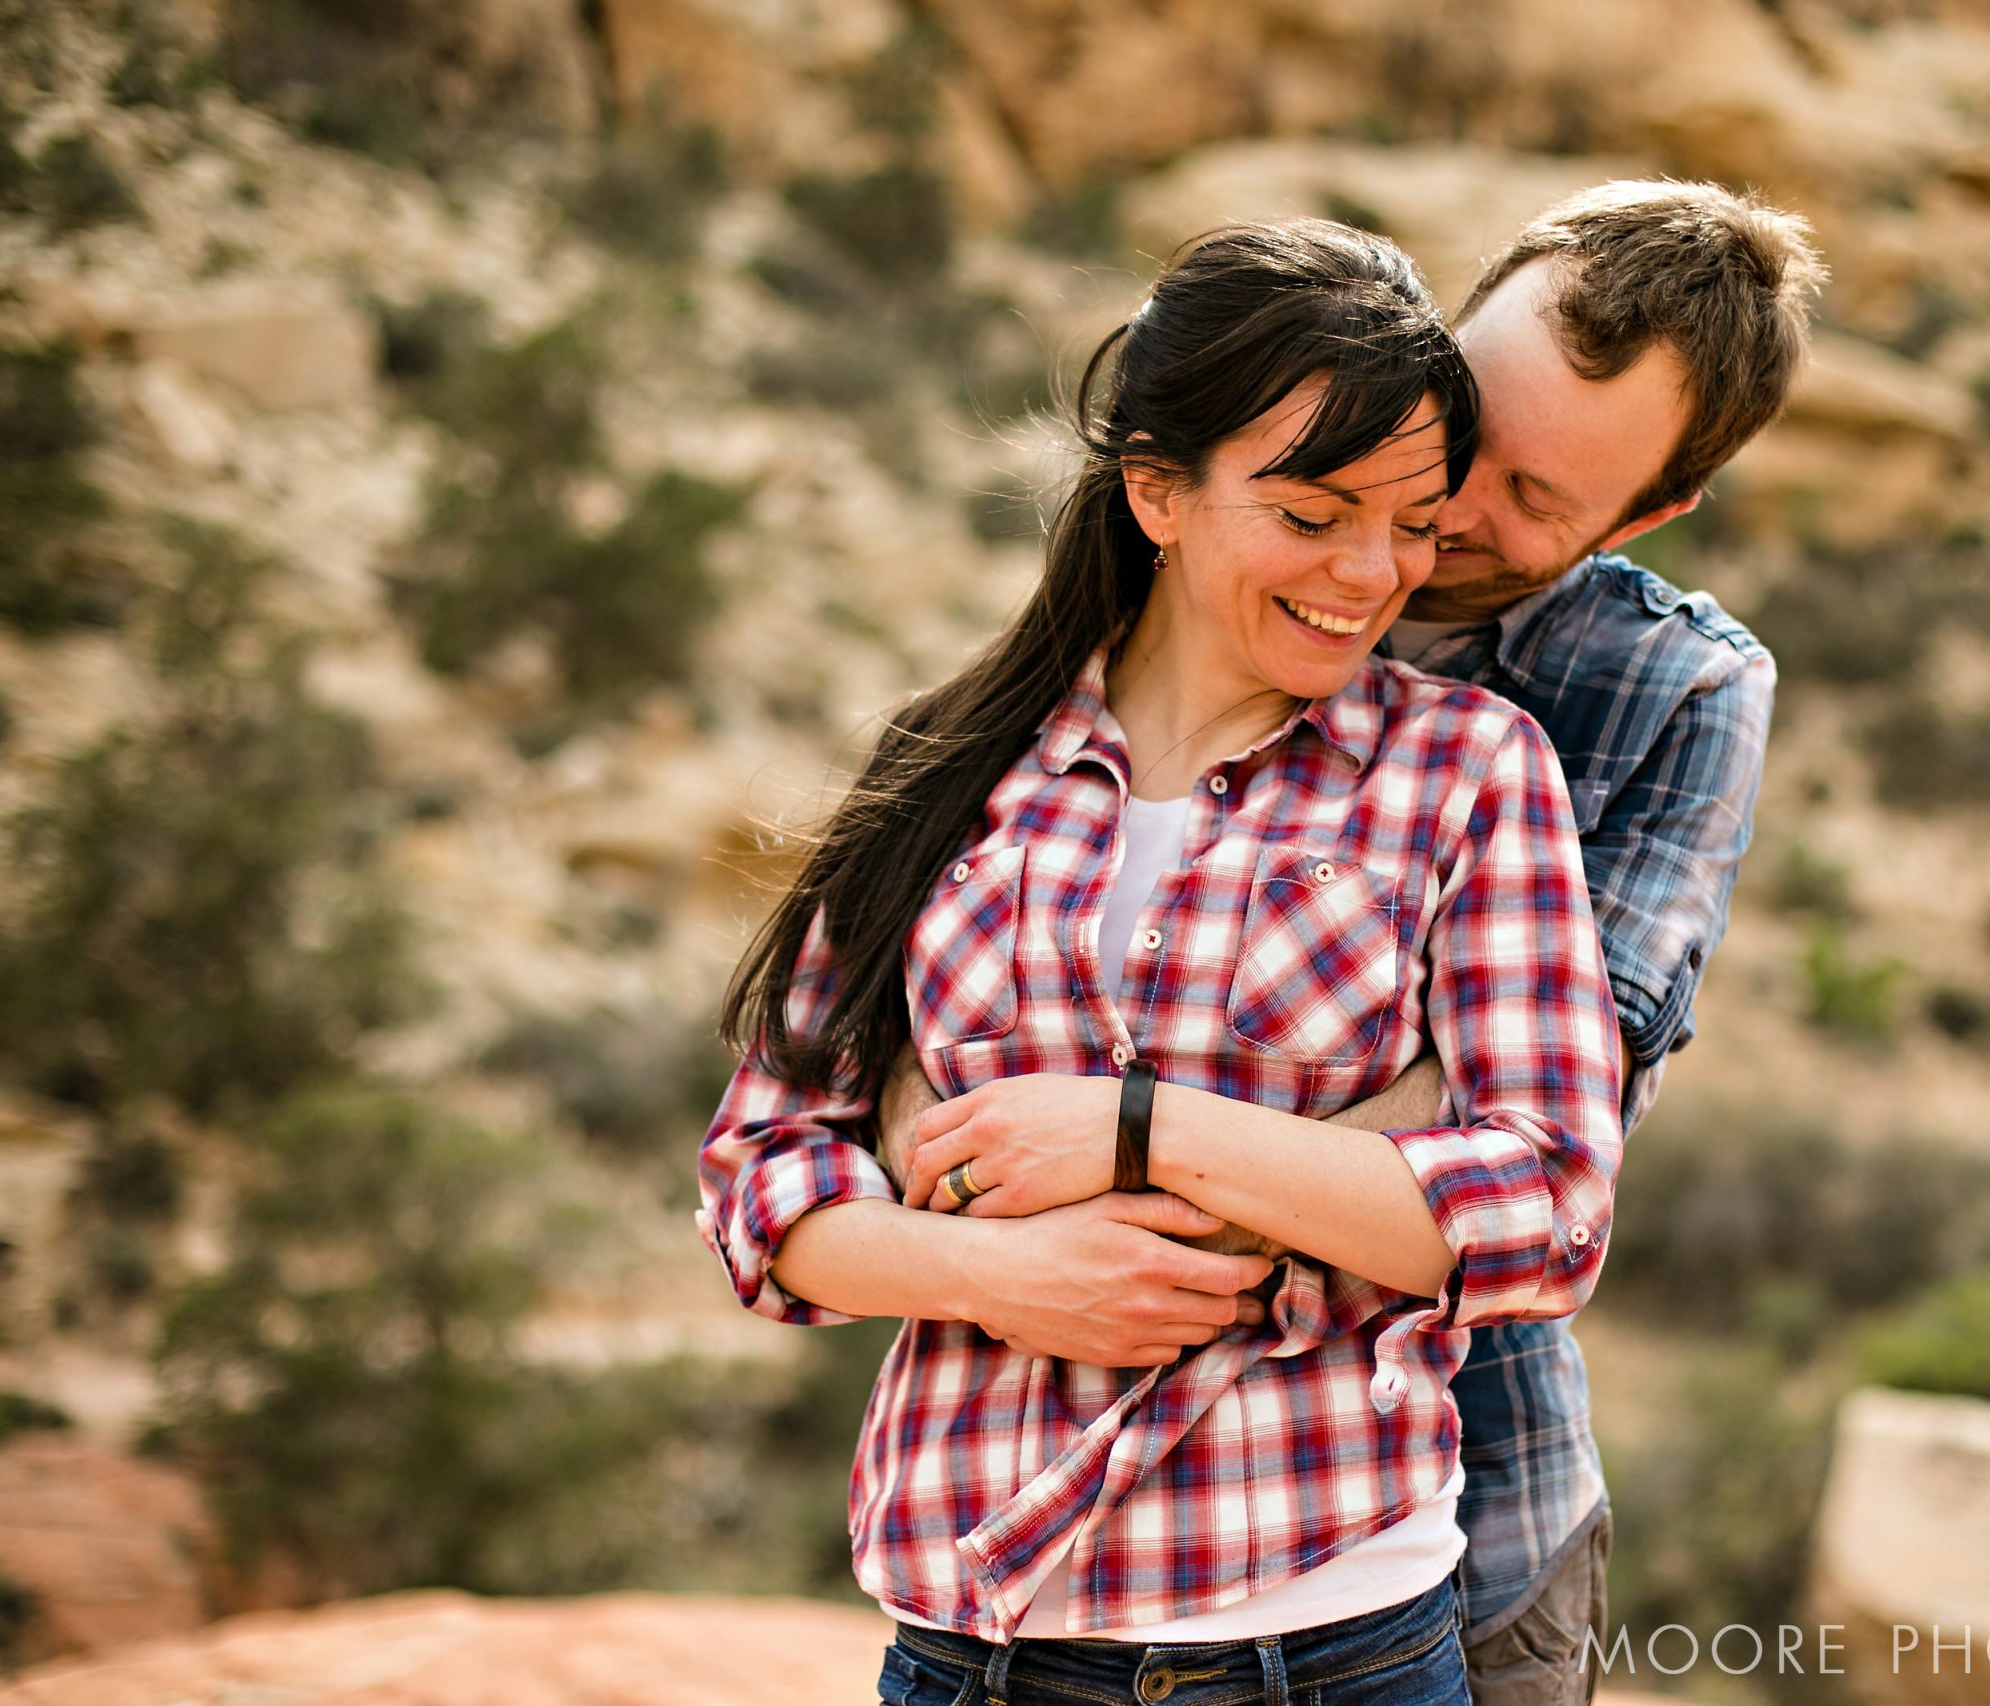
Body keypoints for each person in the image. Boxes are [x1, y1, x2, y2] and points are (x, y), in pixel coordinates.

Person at [872, 179, 1826, 1706]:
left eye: (1536, 499)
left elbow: (1553, 1110)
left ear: (1649, 515)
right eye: (1474, 436)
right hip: (1035, 1517)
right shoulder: (1217, 558)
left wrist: (1128, 1160)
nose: (1436, 522)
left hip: (1454, 1495)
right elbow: (940, 1000)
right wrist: (965, 1178)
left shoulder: (1672, 691)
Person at [696, 218, 1625, 1706]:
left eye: (1413, 520)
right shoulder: (954, 767)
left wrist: (1142, 1130)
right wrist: (1001, 1275)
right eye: (1316, 513)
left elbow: (1551, 1206)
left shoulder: (1466, 769)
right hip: (970, 1654)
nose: (1372, 570)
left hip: (1330, 1645)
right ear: (1156, 490)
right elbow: (761, 1172)